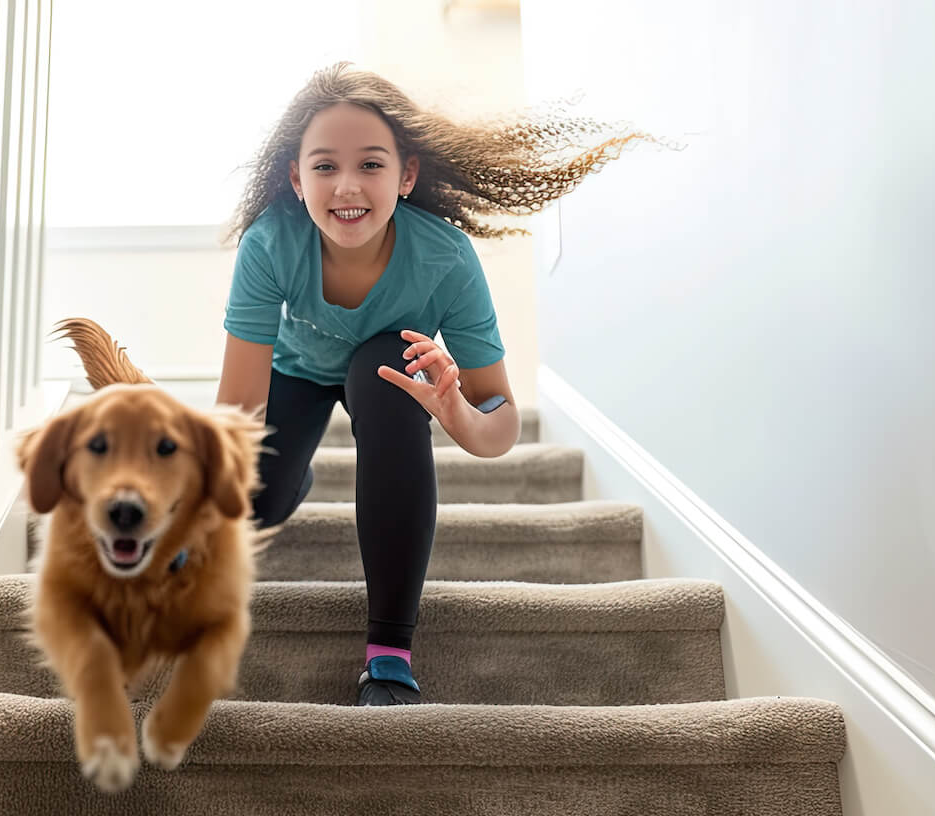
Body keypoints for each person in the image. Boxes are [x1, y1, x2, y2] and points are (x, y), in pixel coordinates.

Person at [218, 62, 656, 705]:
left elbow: (499, 424)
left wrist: (455, 411)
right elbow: (236, 411)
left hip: (390, 379)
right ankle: (291, 478)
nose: (347, 185)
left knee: (389, 360)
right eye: (323, 166)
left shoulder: (445, 259)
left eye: (370, 164)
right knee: (261, 501)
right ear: (295, 177)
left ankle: (389, 653)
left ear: (407, 174)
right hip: (297, 374)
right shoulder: (270, 244)